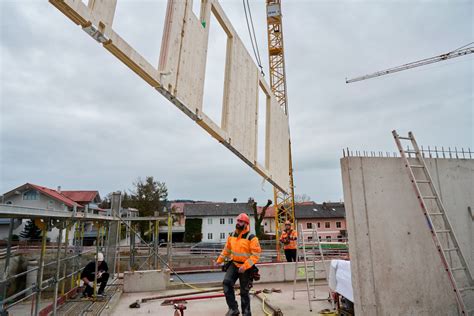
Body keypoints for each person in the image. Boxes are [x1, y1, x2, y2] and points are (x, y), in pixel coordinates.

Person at [215, 213, 261, 316]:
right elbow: (226, 250)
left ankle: (246, 313)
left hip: (246, 267)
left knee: (244, 292)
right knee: (226, 283)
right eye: (238, 221)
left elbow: (256, 255)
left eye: (241, 221)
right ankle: (233, 309)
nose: (238, 223)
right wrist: (219, 260)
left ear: (246, 224)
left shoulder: (252, 238)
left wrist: (245, 266)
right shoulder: (231, 235)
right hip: (234, 264)